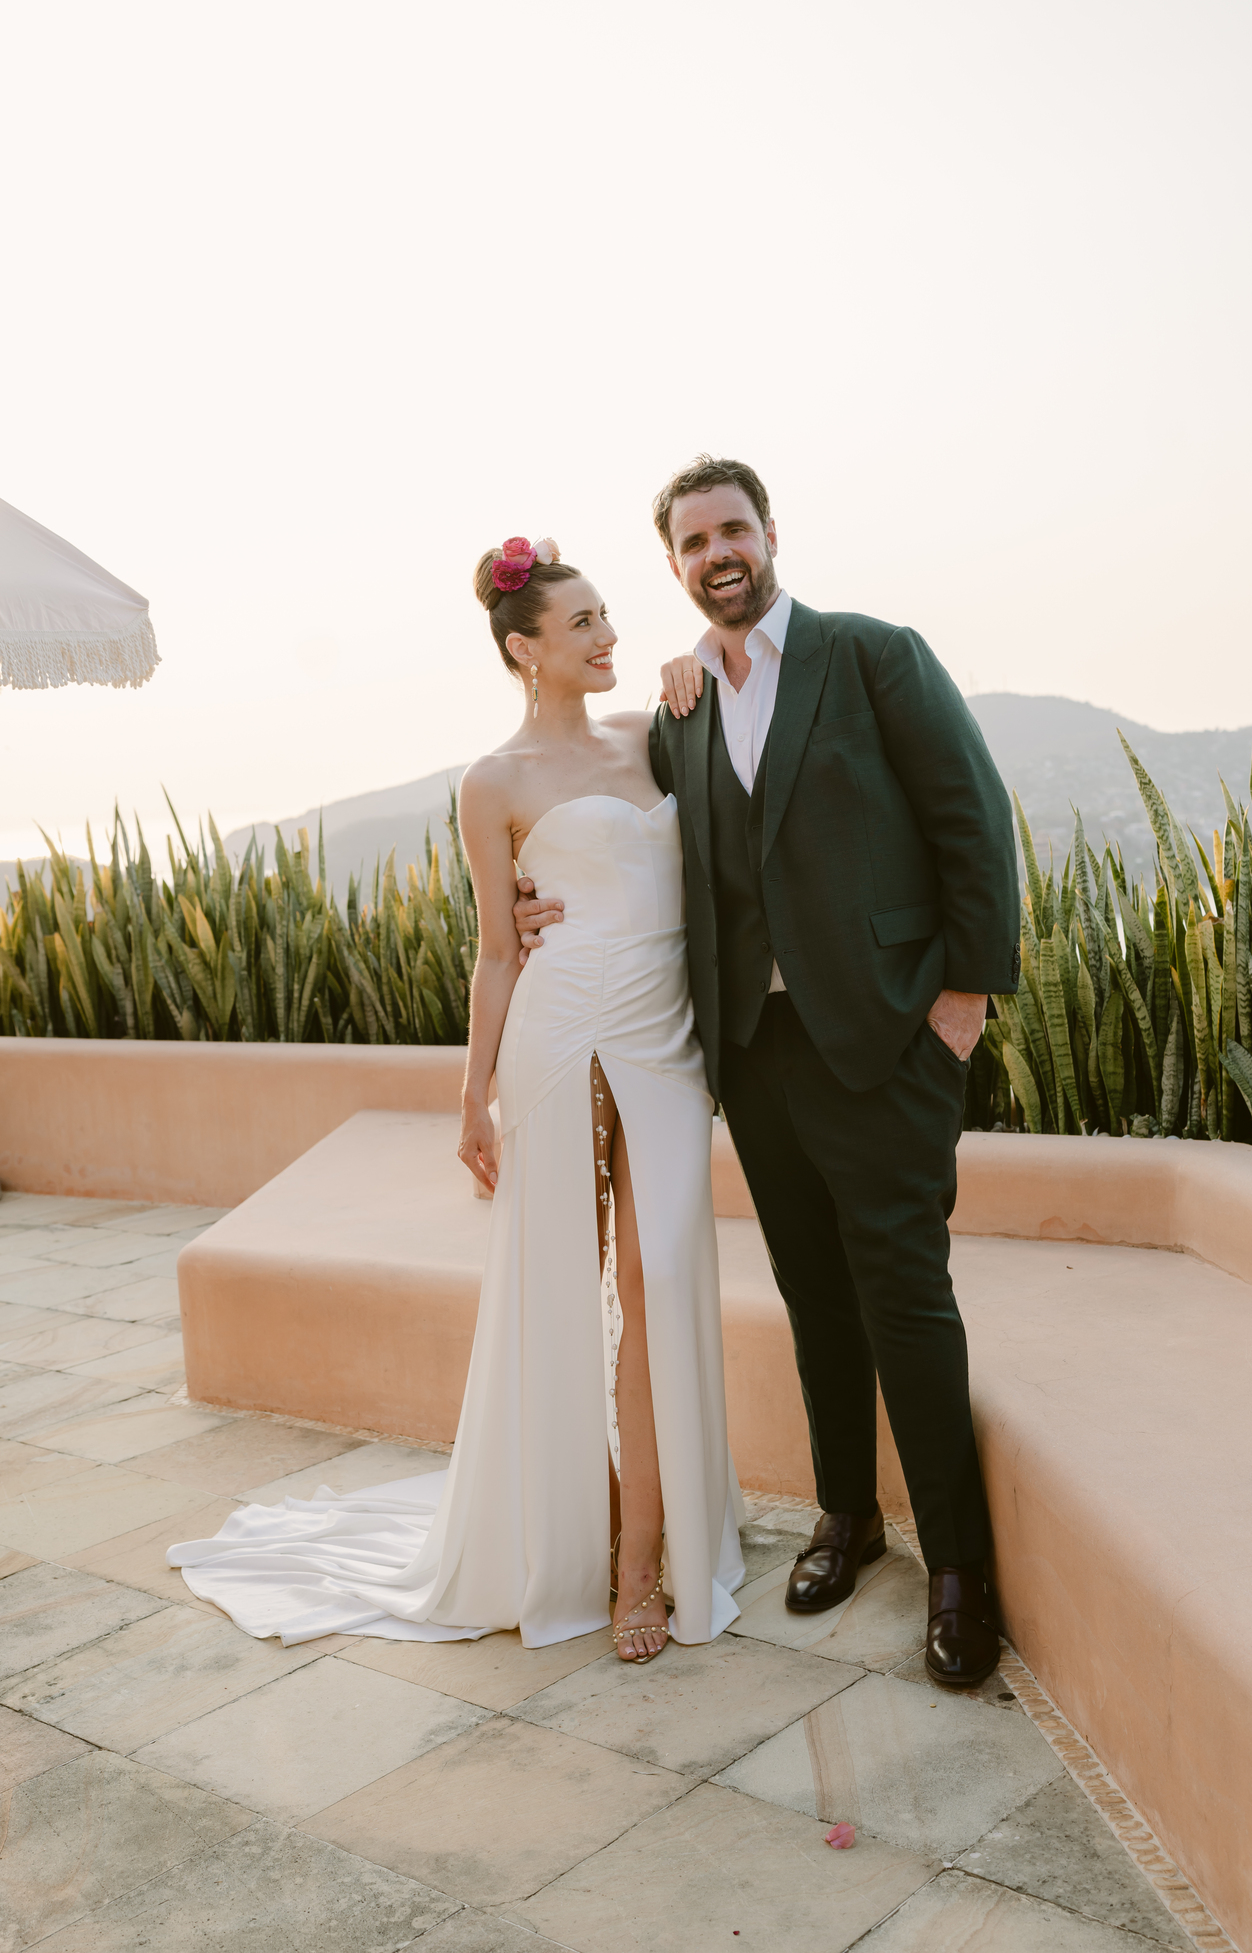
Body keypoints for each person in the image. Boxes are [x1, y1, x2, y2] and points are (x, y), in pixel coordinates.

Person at [168, 536, 744, 1663]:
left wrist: (690, 658)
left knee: (661, 1276)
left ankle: (651, 1554)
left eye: (606, 615)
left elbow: (727, 745)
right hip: (556, 1033)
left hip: (665, 1042)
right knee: (557, 1292)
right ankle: (595, 1551)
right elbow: (495, 948)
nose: (605, 634)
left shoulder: (655, 734)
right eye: (581, 623)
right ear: (524, 648)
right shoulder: (495, 781)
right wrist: (469, 1095)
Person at [516, 459, 1020, 1687]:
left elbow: (973, 814)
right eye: (692, 543)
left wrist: (960, 1002)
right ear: (678, 565)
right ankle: (845, 1517)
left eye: (731, 529)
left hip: (888, 1041)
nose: (716, 554)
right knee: (814, 1294)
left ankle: (960, 1568)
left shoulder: (871, 655)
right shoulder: (678, 708)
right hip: (755, 1051)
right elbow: (615, 829)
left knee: (904, 1290)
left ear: (769, 535)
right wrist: (541, 911)